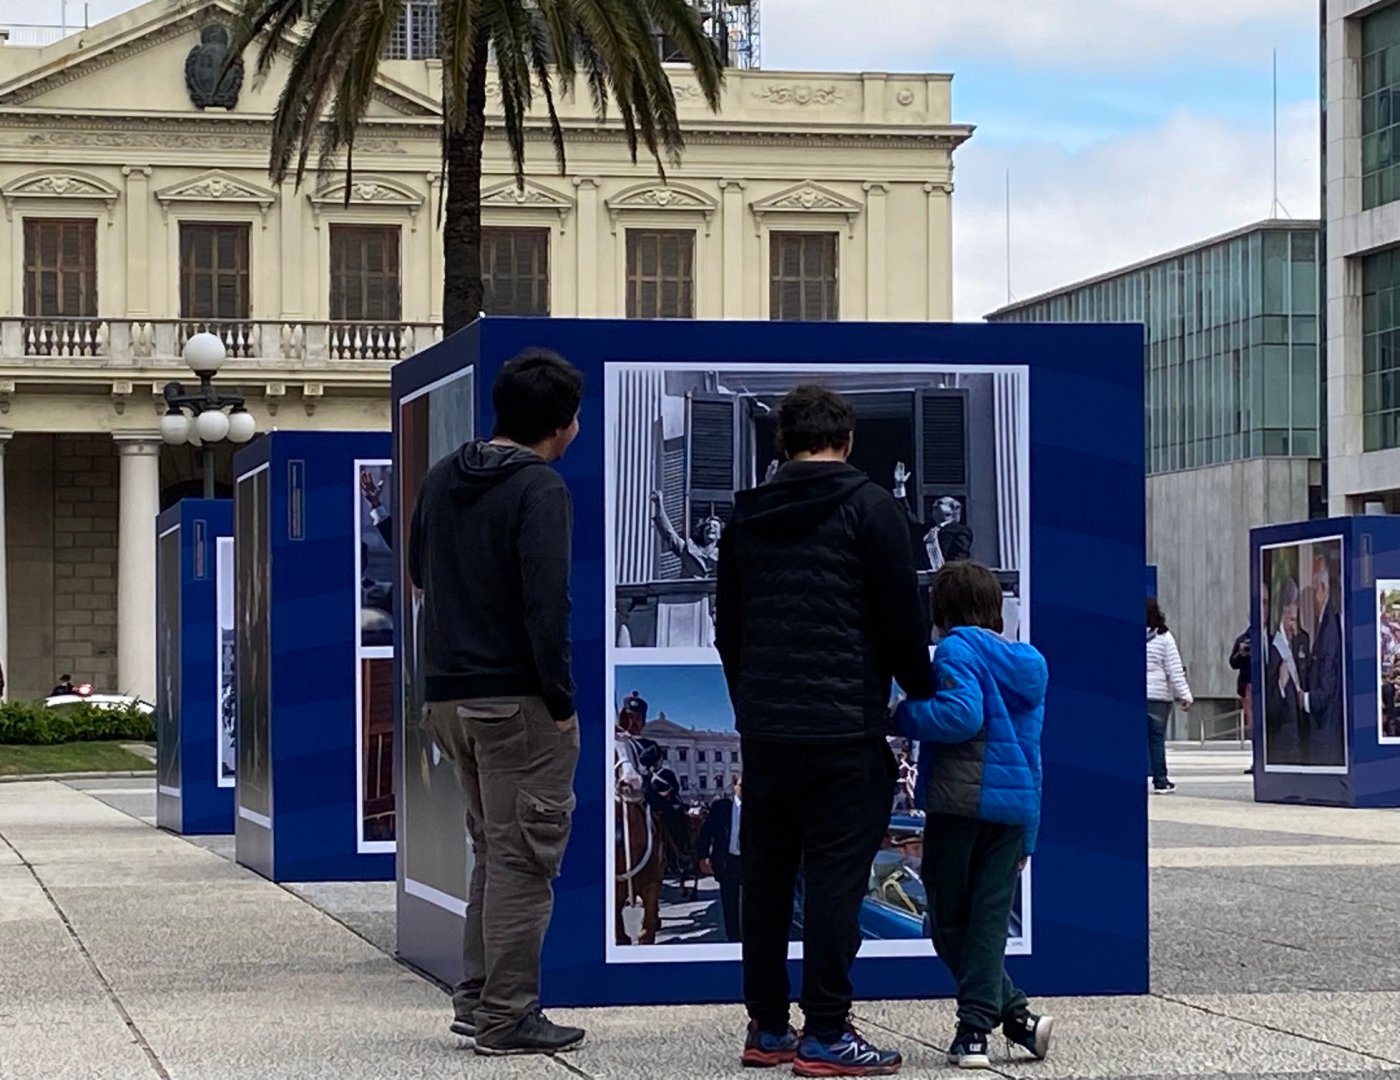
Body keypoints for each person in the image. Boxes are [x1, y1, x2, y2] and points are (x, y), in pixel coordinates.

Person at [716, 384, 934, 1076]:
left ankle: (767, 1028)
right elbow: (903, 621)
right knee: (838, 881)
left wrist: (749, 703)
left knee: (768, 878)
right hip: (844, 728)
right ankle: (829, 1032)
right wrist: (922, 689)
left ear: (783, 443)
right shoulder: (871, 508)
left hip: (768, 729)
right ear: (846, 440)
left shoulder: (743, 517)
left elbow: (729, 630)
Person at [408, 349, 585, 1057]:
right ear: (564, 425)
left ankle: (480, 998)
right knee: (524, 858)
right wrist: (562, 700)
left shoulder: (446, 473)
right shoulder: (539, 488)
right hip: (518, 701)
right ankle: (509, 1016)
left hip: (449, 695)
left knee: (493, 848)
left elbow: (418, 570)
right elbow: (547, 605)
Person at [893, 561, 1053, 1070]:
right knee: (987, 923)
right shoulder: (1029, 663)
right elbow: (1034, 756)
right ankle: (1016, 1020)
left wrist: (899, 714)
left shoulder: (958, 648)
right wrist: (1029, 833)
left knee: (945, 922)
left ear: (942, 609)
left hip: (961, 804)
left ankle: (975, 1033)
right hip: (1014, 809)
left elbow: (962, 716)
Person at [1146, 598, 1192, 794]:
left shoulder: (1125, 634)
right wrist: (1185, 695)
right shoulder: (1164, 637)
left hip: (1134, 697)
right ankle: (1160, 780)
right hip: (1158, 697)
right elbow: (1174, 669)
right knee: (1156, 740)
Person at [1303, 554, 1345, 767]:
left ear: (1323, 589)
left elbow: (1328, 686)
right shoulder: (1326, 624)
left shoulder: (1329, 629)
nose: (1311, 596)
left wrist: (1305, 699)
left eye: (1313, 589)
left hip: (1326, 729)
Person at [1265, 579, 1310, 765]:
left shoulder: (1302, 639)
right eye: (1290, 606)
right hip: (1283, 725)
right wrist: (1282, 686)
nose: (1294, 610)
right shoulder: (1274, 645)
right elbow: (1270, 693)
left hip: (1301, 722)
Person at [698, 777, 743, 943]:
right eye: (742, 785)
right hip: (727, 862)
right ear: (734, 786)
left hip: (750, 863)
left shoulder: (760, 808)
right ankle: (734, 939)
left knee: (751, 904)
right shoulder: (721, 807)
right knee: (730, 903)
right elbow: (706, 833)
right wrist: (703, 856)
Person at [1228, 628, 1253, 775]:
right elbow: (1233, 662)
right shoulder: (1243, 638)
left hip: (1267, 687)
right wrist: (1241, 654)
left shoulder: (1272, 635)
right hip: (1248, 685)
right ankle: (1256, 760)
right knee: (1252, 726)